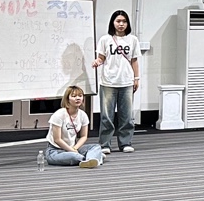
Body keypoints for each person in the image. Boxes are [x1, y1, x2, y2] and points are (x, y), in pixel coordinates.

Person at [92, 10, 140, 153]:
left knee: (127, 116)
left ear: (127, 24)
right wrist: (97, 61)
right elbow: (101, 58)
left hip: (126, 81)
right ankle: (105, 144)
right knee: (107, 116)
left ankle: (125, 143)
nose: (121, 24)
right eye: (118, 21)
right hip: (108, 82)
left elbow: (134, 61)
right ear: (113, 22)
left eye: (124, 21)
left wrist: (136, 78)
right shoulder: (105, 39)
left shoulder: (133, 40)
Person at [44, 86, 105, 167]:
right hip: (55, 150)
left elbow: (84, 136)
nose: (78, 98)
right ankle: (94, 157)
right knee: (74, 157)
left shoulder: (83, 115)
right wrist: (72, 151)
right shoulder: (59, 115)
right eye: (74, 96)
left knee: (96, 147)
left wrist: (75, 148)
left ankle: (91, 159)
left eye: (80, 96)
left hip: (73, 148)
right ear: (67, 99)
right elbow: (57, 139)